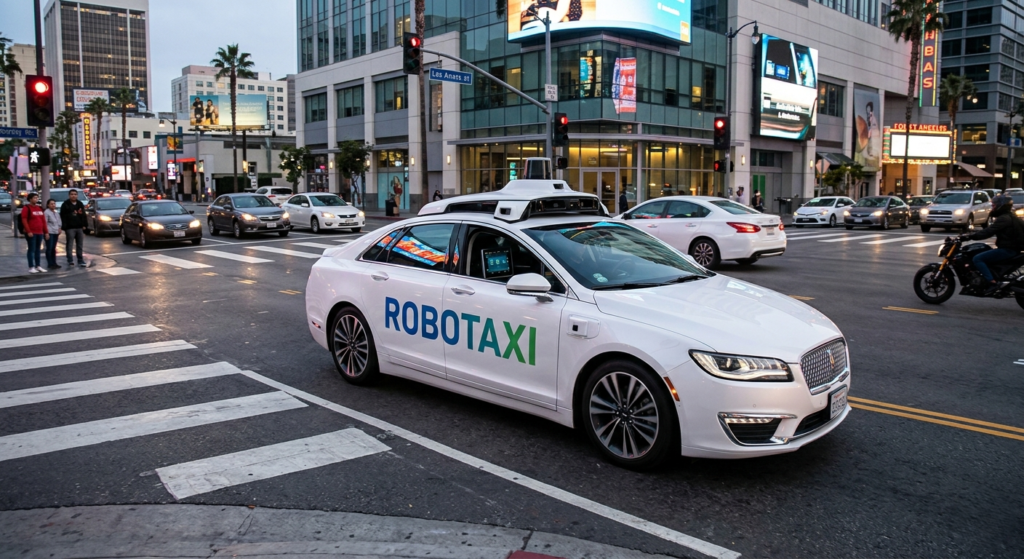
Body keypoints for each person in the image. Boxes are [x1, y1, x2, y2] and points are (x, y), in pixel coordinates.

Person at [966, 195, 1024, 293]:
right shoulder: (1012, 216)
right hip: (1013, 249)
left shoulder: (1004, 218)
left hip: (1008, 250)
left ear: (1001, 206)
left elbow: (989, 231)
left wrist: (970, 236)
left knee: (977, 258)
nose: (992, 207)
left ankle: (992, 282)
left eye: (994, 205)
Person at [60, 188, 88, 267]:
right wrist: (64, 227)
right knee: (70, 244)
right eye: (72, 194)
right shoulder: (65, 204)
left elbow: (83, 215)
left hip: (79, 227)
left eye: (75, 194)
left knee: (80, 245)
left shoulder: (80, 204)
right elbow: (62, 216)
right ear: (69, 195)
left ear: (77, 195)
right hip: (70, 228)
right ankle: (70, 260)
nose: (73, 196)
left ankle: (80, 260)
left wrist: (84, 226)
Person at [20, 193, 47, 274]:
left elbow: (43, 221)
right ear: (30, 199)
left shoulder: (39, 208)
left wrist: (46, 232)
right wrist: (28, 231)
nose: (36, 199)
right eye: (34, 198)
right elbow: (24, 220)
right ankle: (31, 267)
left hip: (39, 232)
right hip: (32, 232)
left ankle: (38, 266)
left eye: (37, 198)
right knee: (31, 249)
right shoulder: (26, 208)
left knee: (38, 249)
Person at [43, 198, 62, 270]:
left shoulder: (56, 212)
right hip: (49, 232)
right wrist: (46, 232)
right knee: (49, 248)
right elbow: (45, 223)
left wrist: (59, 228)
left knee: (53, 248)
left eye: (54, 203)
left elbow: (59, 221)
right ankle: (50, 263)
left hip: (55, 232)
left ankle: (54, 263)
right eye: (51, 204)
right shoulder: (46, 212)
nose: (53, 205)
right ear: (48, 205)